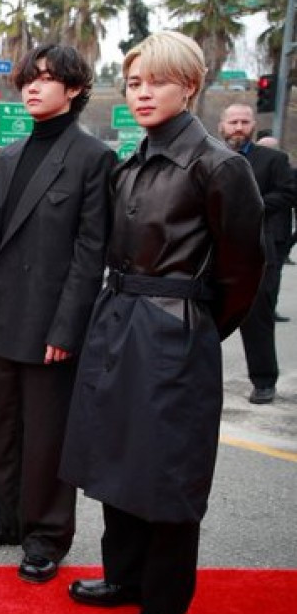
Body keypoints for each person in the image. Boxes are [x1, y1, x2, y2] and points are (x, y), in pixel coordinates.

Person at [60, 32, 264, 614]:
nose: (142, 93)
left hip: (174, 328)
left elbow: (243, 271)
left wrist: (191, 325)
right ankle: (123, 577)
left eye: (158, 82)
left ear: (190, 86)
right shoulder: (132, 163)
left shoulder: (219, 166)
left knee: (168, 470)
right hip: (119, 319)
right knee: (116, 456)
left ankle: (165, 596)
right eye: (133, 83)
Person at [0, 44, 113, 584]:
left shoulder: (93, 157)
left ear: (75, 89)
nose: (33, 87)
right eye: (29, 79)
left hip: (52, 323)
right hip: (1, 313)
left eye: (47, 79)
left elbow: (91, 253)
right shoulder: (8, 154)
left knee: (47, 435)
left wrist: (68, 327)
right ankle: (2, 519)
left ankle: (46, 535)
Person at [220, 105, 296, 404]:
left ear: (253, 124)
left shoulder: (273, 160)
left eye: (244, 121)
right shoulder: (210, 155)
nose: (238, 127)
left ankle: (264, 381)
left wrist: (251, 205)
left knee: (257, 318)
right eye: (233, 122)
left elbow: (288, 193)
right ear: (222, 125)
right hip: (215, 249)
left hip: (259, 250)